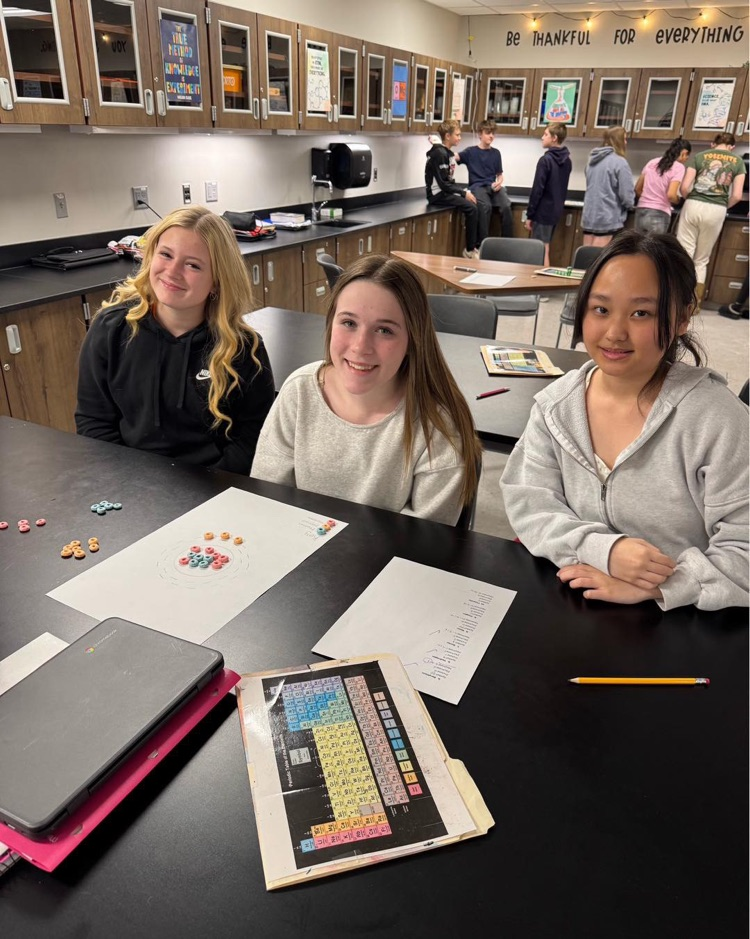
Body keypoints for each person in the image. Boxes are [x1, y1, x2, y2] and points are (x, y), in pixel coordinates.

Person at [500, 231, 748, 612]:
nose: (615, 333)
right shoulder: (557, 404)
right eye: (600, 309)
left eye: (641, 313)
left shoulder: (716, 419)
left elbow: (744, 546)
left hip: (682, 623)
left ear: (682, 317)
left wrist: (663, 587)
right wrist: (604, 550)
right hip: (571, 606)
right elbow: (528, 501)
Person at [251, 255, 482, 526]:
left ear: (413, 340)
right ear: (330, 323)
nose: (361, 347)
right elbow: (267, 500)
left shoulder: (437, 426)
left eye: (384, 330)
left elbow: (426, 544)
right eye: (349, 323)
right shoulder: (299, 392)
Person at [76, 206, 275, 474]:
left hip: (214, 487)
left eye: (193, 265)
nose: (172, 271)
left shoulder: (243, 349)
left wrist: (207, 491)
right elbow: (94, 421)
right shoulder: (110, 330)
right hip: (130, 483)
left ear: (217, 281)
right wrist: (129, 483)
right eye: (166, 255)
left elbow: (253, 437)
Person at [676, 131, 746, 303]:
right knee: (701, 259)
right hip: (717, 209)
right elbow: (737, 195)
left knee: (683, 253)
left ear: (712, 144)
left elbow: (684, 187)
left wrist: (691, 199)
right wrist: (722, 205)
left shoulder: (700, 156)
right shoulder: (738, 162)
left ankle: (675, 296)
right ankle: (694, 303)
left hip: (693, 204)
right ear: (732, 147)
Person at [425, 119, 480, 259]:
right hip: (437, 195)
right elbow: (444, 184)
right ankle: (469, 251)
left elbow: (448, 180)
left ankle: (476, 245)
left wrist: (464, 192)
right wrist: (463, 193)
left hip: (445, 192)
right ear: (448, 136)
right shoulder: (439, 154)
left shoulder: (446, 153)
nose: (460, 138)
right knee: (471, 208)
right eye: (457, 135)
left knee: (477, 203)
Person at [457, 119, 514, 243]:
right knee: (485, 207)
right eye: (488, 133)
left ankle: (508, 243)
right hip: (477, 187)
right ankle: (482, 244)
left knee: (506, 206)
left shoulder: (496, 153)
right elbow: (454, 157)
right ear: (480, 134)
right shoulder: (470, 152)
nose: (491, 136)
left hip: (492, 187)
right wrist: (439, 145)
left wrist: (499, 182)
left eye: (493, 133)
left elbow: (500, 175)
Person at [524, 122, 572, 268]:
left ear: (554, 138)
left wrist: (530, 215)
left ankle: (539, 284)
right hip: (556, 210)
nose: (542, 137)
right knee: (545, 246)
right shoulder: (567, 160)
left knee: (540, 249)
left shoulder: (546, 160)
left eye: (545, 134)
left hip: (542, 211)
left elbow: (537, 190)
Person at [581, 125, 635, 248]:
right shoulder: (620, 162)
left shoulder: (592, 160)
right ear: (618, 140)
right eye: (625, 139)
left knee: (584, 258)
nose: (626, 143)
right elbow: (626, 196)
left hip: (589, 216)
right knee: (599, 260)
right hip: (607, 217)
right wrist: (630, 204)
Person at [634, 137, 692, 235]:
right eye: (687, 156)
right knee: (655, 249)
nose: (686, 159)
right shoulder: (679, 167)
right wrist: (679, 200)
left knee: (638, 248)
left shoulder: (652, 162)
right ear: (684, 152)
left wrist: (648, 199)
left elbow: (638, 189)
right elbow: (671, 195)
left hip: (641, 211)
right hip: (659, 214)